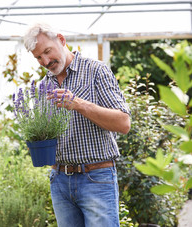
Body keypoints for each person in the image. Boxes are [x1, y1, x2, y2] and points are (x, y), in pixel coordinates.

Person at [23, 22, 131, 227]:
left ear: (61, 40)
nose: (45, 61)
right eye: (38, 57)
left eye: (47, 51)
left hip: (96, 179)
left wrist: (78, 104)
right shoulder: (46, 85)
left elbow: (123, 123)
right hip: (60, 181)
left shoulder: (96, 71)